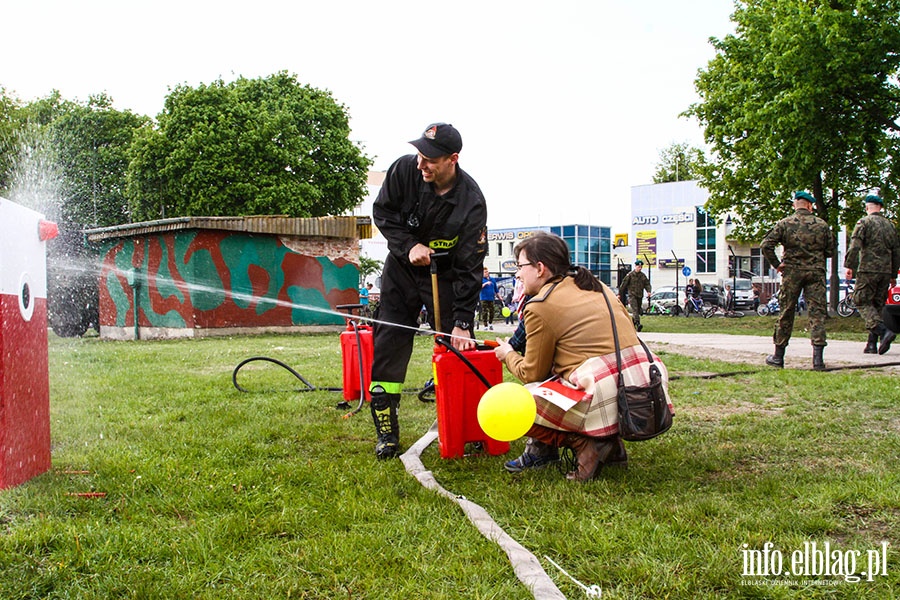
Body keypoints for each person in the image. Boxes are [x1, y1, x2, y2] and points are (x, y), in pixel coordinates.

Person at [492, 232, 663, 481]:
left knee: (515, 402)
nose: (517, 273)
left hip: (606, 392)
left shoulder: (540, 305)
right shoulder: (596, 285)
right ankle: (608, 443)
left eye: (520, 266)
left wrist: (508, 354)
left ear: (540, 268)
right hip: (645, 385)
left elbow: (532, 373)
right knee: (560, 375)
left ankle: (587, 444)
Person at [369, 123, 487, 459]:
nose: (422, 164)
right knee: (389, 343)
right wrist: (408, 246)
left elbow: (470, 266)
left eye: (430, 159)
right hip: (401, 272)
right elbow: (383, 212)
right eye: (420, 155)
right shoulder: (405, 169)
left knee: (457, 347)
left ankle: (471, 425)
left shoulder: (471, 203)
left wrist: (463, 320)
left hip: (445, 277)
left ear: (453, 159)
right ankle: (387, 434)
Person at [760, 191, 834, 370]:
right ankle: (818, 360)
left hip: (792, 272)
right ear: (810, 205)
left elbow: (765, 245)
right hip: (815, 272)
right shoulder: (822, 225)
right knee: (817, 314)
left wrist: (778, 264)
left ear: (795, 205)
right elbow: (830, 250)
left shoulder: (785, 223)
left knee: (786, 311)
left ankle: (778, 356)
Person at [843, 194, 900, 355]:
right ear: (880, 208)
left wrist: (849, 265)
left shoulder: (864, 222)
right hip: (885, 271)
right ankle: (871, 344)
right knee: (877, 305)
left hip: (868, 269)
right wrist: (893, 274)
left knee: (860, 300)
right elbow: (896, 251)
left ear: (867, 207)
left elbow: (855, 245)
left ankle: (883, 331)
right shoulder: (890, 226)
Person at [618, 259, 651, 331]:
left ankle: (633, 324)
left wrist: (648, 291)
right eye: (638, 266)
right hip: (632, 295)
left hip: (639, 295)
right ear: (635, 266)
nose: (640, 268)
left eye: (641, 267)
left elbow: (647, 284)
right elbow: (623, 285)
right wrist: (619, 294)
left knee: (637, 310)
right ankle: (638, 324)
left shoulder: (642, 276)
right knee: (635, 309)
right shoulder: (630, 275)